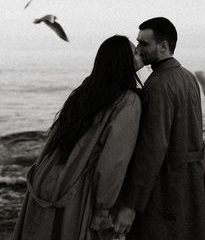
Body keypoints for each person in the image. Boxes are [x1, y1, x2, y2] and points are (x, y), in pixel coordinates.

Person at [12, 35, 144, 240]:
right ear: (123, 60)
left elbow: (53, 139)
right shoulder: (128, 101)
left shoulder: (85, 91)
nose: (140, 53)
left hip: (46, 179)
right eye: (135, 52)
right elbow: (113, 162)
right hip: (76, 191)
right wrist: (102, 210)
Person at [115, 17, 205, 240]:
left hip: (166, 189)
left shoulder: (158, 84)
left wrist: (130, 205)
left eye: (144, 43)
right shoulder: (187, 77)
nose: (138, 49)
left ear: (164, 46)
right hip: (192, 184)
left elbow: (152, 149)